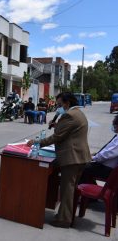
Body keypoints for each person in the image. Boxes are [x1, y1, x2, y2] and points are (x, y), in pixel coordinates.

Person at [28, 92, 91, 228]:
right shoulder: (78, 113)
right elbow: (69, 130)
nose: (58, 108)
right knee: (69, 187)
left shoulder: (69, 115)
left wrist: (37, 142)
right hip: (79, 156)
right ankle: (65, 215)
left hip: (72, 157)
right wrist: (58, 126)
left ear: (67, 103)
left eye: (59, 104)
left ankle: (64, 220)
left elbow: (57, 137)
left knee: (67, 189)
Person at [80, 115, 118, 184]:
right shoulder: (116, 136)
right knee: (85, 166)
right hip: (105, 165)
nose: (114, 128)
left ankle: (84, 190)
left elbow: (108, 154)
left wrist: (94, 158)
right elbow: (107, 149)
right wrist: (96, 154)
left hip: (108, 169)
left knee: (82, 168)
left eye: (115, 126)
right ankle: (88, 186)